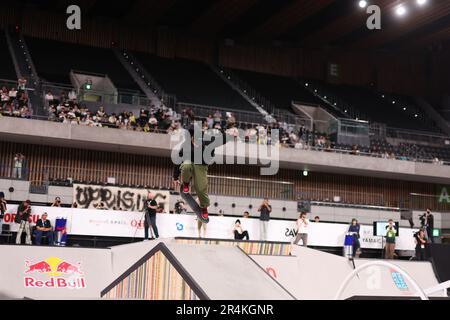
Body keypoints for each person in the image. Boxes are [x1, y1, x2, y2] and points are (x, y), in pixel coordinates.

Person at [172, 122, 224, 224]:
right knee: (186, 165)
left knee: (201, 188)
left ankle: (204, 208)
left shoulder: (206, 140)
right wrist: (175, 177)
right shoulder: (186, 145)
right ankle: (186, 183)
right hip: (189, 164)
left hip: (201, 166)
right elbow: (177, 160)